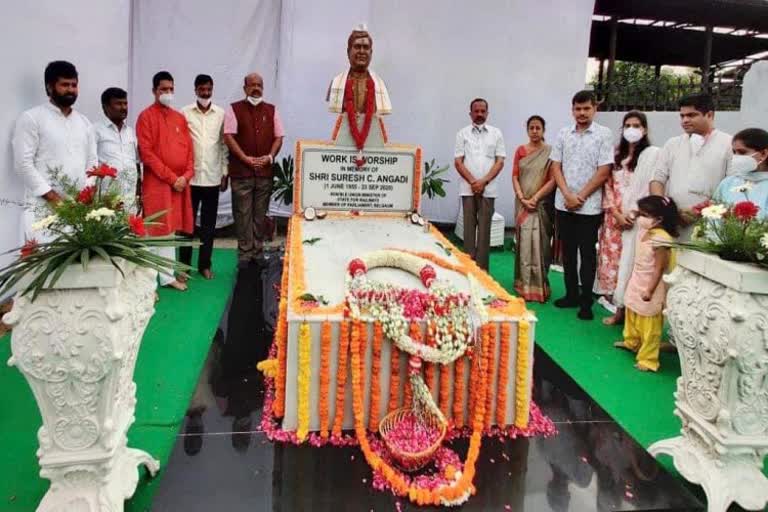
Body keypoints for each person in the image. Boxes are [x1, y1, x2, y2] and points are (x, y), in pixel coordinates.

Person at [12, 60, 97, 241]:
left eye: (74, 85)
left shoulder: (84, 123)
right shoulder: (32, 118)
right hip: (42, 212)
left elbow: (93, 163)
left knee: (75, 269)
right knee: (42, 268)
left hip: (77, 212)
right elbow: (23, 164)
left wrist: (86, 196)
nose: (70, 90)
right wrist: (54, 199)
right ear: (49, 87)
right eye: (64, 85)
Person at [550, 90, 614, 320]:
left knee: (587, 254)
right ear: (572, 110)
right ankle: (570, 295)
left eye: (587, 108)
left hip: (589, 207)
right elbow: (555, 166)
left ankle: (586, 301)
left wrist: (581, 196)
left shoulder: (603, 135)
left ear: (594, 109)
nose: (582, 113)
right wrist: (567, 194)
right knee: (567, 252)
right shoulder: (563, 133)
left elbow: (604, 170)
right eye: (578, 109)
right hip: (564, 204)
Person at [598, 112, 660, 326]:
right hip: (613, 220)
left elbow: (650, 187)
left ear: (645, 129)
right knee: (614, 265)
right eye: (628, 125)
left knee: (633, 265)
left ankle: (631, 313)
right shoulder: (615, 155)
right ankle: (618, 310)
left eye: (636, 125)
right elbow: (607, 186)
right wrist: (616, 213)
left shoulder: (651, 157)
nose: (632, 129)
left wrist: (633, 213)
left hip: (637, 221)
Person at [136, 70, 194, 291]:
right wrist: (172, 178)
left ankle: (167, 277)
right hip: (158, 183)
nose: (168, 93)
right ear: (154, 91)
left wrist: (186, 176)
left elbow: (190, 152)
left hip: (179, 184)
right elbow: (147, 153)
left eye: (171, 89)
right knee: (155, 230)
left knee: (170, 230)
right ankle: (149, 283)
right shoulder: (145, 117)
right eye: (163, 90)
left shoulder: (180, 117)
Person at [650, 94, 733, 240]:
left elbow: (731, 187)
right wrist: (664, 210)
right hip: (673, 222)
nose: (685, 120)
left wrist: (697, 211)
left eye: (691, 115)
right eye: (682, 116)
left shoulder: (728, 144)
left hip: (710, 224)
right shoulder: (672, 144)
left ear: (709, 115)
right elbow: (657, 178)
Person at [223, 73, 284, 267]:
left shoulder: (272, 110)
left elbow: (279, 137)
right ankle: (244, 254)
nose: (256, 88)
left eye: (259, 85)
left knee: (260, 215)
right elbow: (229, 137)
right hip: (241, 173)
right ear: (245, 88)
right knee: (242, 215)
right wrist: (244, 158)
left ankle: (257, 253)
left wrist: (269, 157)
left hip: (264, 173)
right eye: (252, 85)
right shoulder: (234, 109)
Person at [614, 195, 679, 372]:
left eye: (645, 214)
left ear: (659, 219)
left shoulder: (661, 239)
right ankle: (632, 342)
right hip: (637, 278)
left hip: (651, 284)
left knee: (650, 323)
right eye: (640, 213)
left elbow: (659, 268)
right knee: (632, 311)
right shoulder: (646, 231)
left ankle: (649, 359)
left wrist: (650, 290)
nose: (640, 218)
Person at [180, 74, 228, 280]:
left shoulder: (221, 114)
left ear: (212, 89)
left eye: (208, 89)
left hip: (212, 178)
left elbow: (224, 145)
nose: (205, 93)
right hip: (190, 179)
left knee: (209, 226)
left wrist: (225, 172)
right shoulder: (184, 113)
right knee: (186, 226)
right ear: (195, 90)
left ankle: (204, 265)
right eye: (202, 89)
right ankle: (183, 267)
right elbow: (180, 144)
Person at [454, 98, 506, 271]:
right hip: (467, 190)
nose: (479, 114)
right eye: (476, 111)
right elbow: (458, 162)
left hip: (488, 190)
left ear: (487, 113)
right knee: (468, 232)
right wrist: (473, 182)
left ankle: (482, 272)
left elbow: (500, 161)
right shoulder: (462, 133)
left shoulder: (496, 133)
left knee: (485, 232)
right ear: (470, 113)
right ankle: (468, 270)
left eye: (483, 111)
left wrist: (483, 182)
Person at [512, 115, 555, 302]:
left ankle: (540, 285)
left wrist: (535, 198)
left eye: (538, 128)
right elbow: (514, 176)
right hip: (523, 205)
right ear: (527, 130)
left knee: (541, 244)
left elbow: (554, 179)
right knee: (525, 244)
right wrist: (523, 198)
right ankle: (524, 284)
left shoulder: (550, 152)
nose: (535, 131)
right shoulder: (521, 151)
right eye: (531, 128)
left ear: (543, 130)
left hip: (541, 206)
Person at [327, 25, 392, 115]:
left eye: (365, 47)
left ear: (371, 52)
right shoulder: (336, 83)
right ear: (348, 51)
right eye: (357, 47)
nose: (362, 51)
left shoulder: (380, 85)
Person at [94, 87, 140, 213]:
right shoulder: (95, 131)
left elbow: (137, 164)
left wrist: (138, 194)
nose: (123, 107)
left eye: (125, 103)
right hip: (106, 201)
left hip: (129, 201)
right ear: (105, 107)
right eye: (118, 104)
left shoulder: (131, 133)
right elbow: (90, 164)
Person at [713, 128, 768, 215]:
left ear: (763, 154)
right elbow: (713, 217)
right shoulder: (728, 183)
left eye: (742, 152)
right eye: (734, 152)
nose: (736, 157)